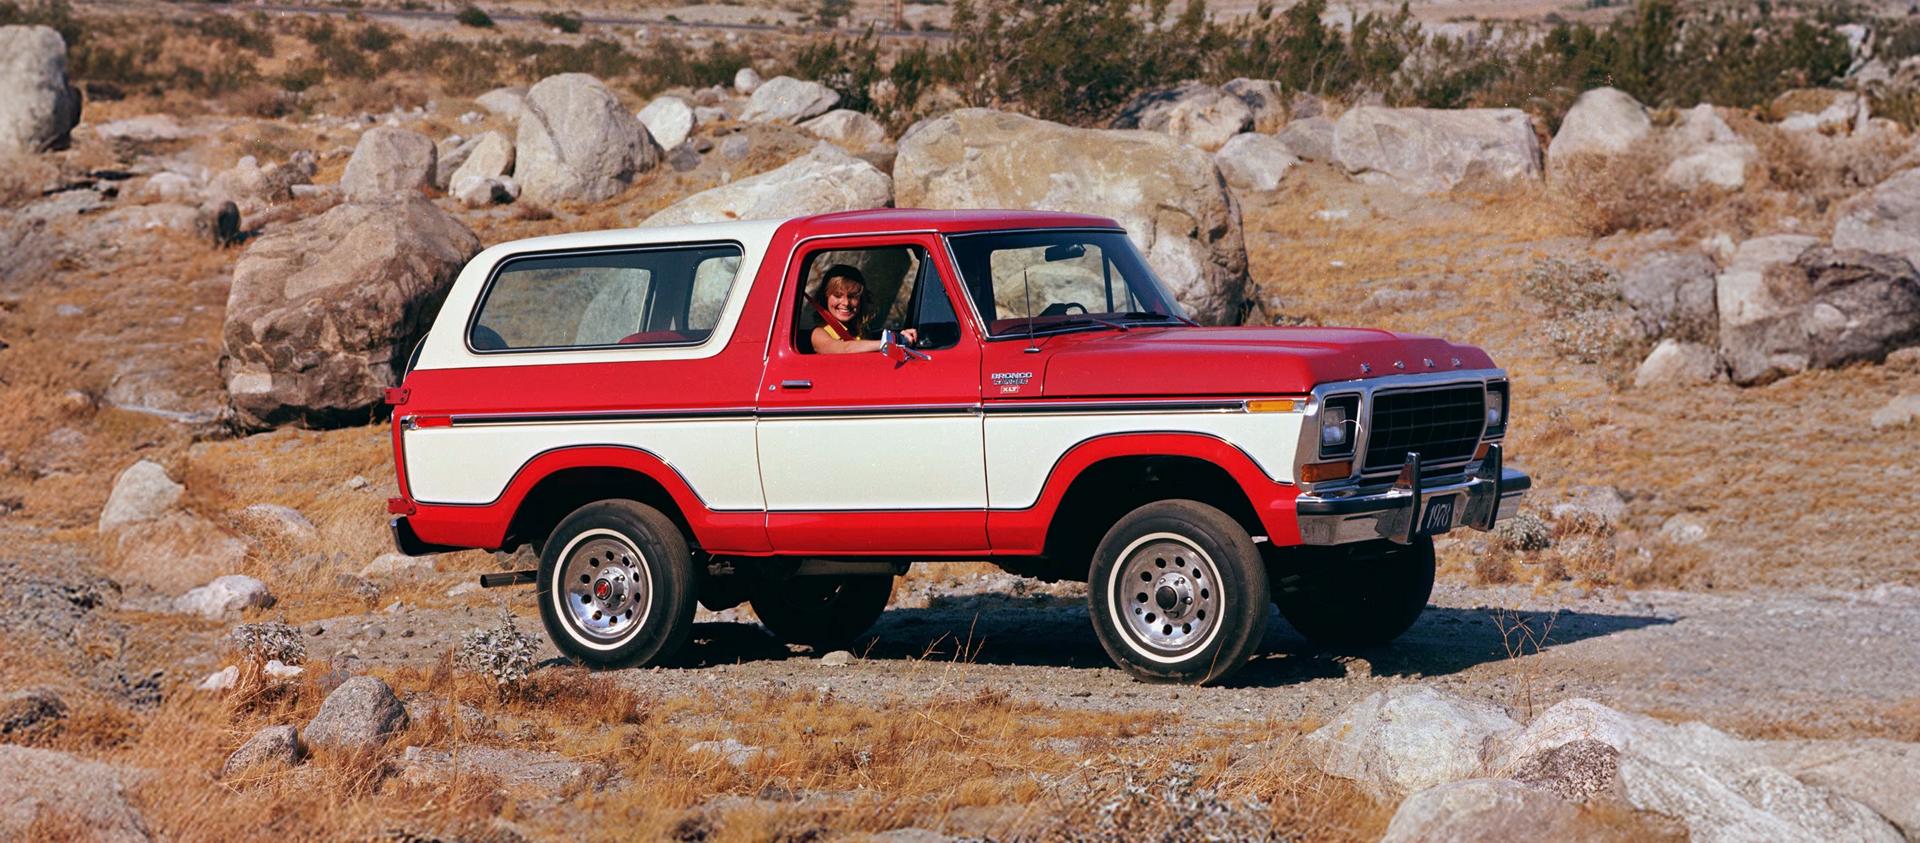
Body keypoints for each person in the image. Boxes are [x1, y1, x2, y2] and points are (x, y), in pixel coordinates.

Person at [809, 264, 917, 354]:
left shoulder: (861, 331)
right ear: (825, 298)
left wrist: (901, 336)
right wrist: (890, 342)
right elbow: (844, 348)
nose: (846, 303)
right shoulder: (819, 333)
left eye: (852, 296)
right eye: (837, 296)